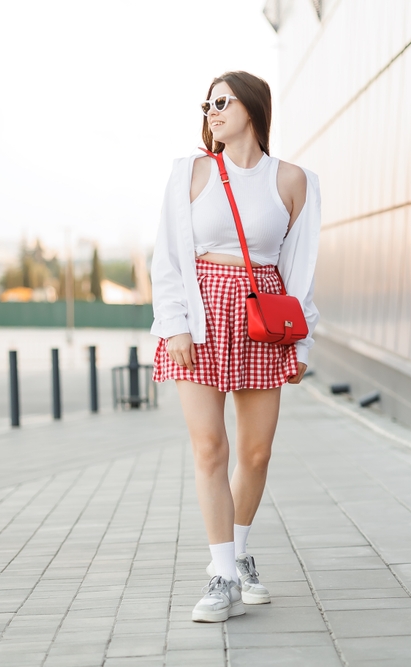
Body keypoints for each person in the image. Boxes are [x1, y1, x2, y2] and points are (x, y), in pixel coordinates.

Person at [150, 71, 321, 623]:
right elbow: (168, 257)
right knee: (209, 449)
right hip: (200, 317)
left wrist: (302, 342)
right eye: (207, 104)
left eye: (221, 101)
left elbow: (302, 268)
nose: (212, 111)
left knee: (255, 453)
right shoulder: (190, 173)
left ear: (251, 107)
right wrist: (173, 323)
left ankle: (239, 551)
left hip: (261, 320)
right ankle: (222, 573)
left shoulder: (293, 179)